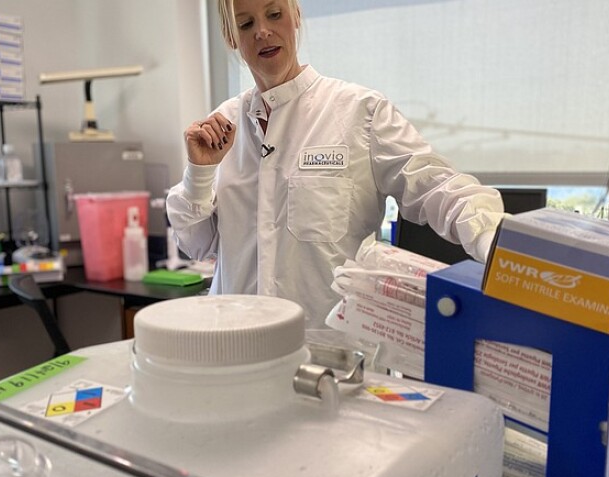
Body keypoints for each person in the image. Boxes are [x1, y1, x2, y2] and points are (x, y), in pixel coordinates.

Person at [167, 0, 505, 328]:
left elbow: (437, 186)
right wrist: (200, 173)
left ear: (295, 16)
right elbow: (197, 245)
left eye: (274, 14)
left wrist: (497, 243)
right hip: (237, 340)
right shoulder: (223, 126)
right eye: (246, 24)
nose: (263, 32)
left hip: (329, 349)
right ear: (231, 37)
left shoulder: (360, 112)